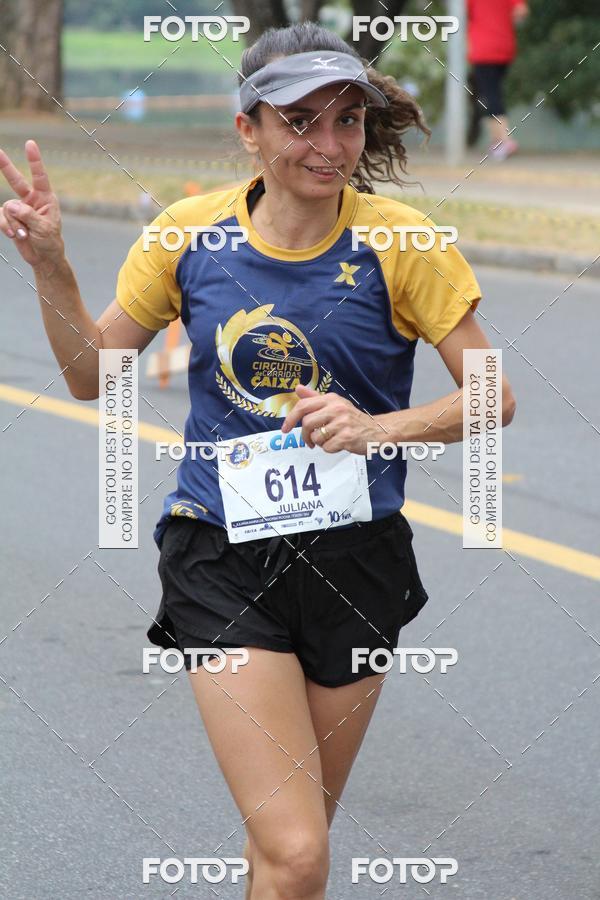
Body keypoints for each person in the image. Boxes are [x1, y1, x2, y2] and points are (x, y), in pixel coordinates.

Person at [0, 22, 516, 899]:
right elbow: (93, 376)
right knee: (298, 848)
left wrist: (376, 427)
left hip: (357, 560)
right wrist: (51, 264)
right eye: (299, 121)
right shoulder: (188, 235)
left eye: (347, 120)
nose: (328, 144)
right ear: (250, 130)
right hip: (221, 554)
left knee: (291, 847)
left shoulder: (404, 243)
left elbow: (492, 396)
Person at [467, 0, 529, 160]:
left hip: (483, 49)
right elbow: (521, 12)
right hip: (505, 46)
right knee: (493, 91)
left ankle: (505, 140)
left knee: (491, 95)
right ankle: (497, 142)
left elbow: (461, 15)